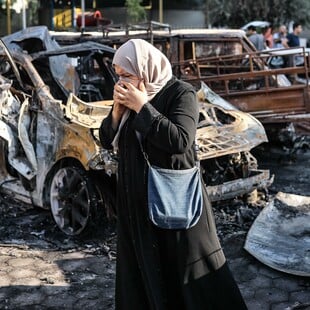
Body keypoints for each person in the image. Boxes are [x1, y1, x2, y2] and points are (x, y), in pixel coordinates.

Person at [99, 38, 248, 310]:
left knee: (187, 274)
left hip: (175, 202)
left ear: (145, 69)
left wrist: (142, 106)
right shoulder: (129, 97)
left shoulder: (181, 93)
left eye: (127, 75)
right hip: (138, 209)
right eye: (118, 75)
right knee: (147, 272)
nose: (121, 82)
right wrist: (117, 112)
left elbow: (179, 140)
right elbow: (107, 139)